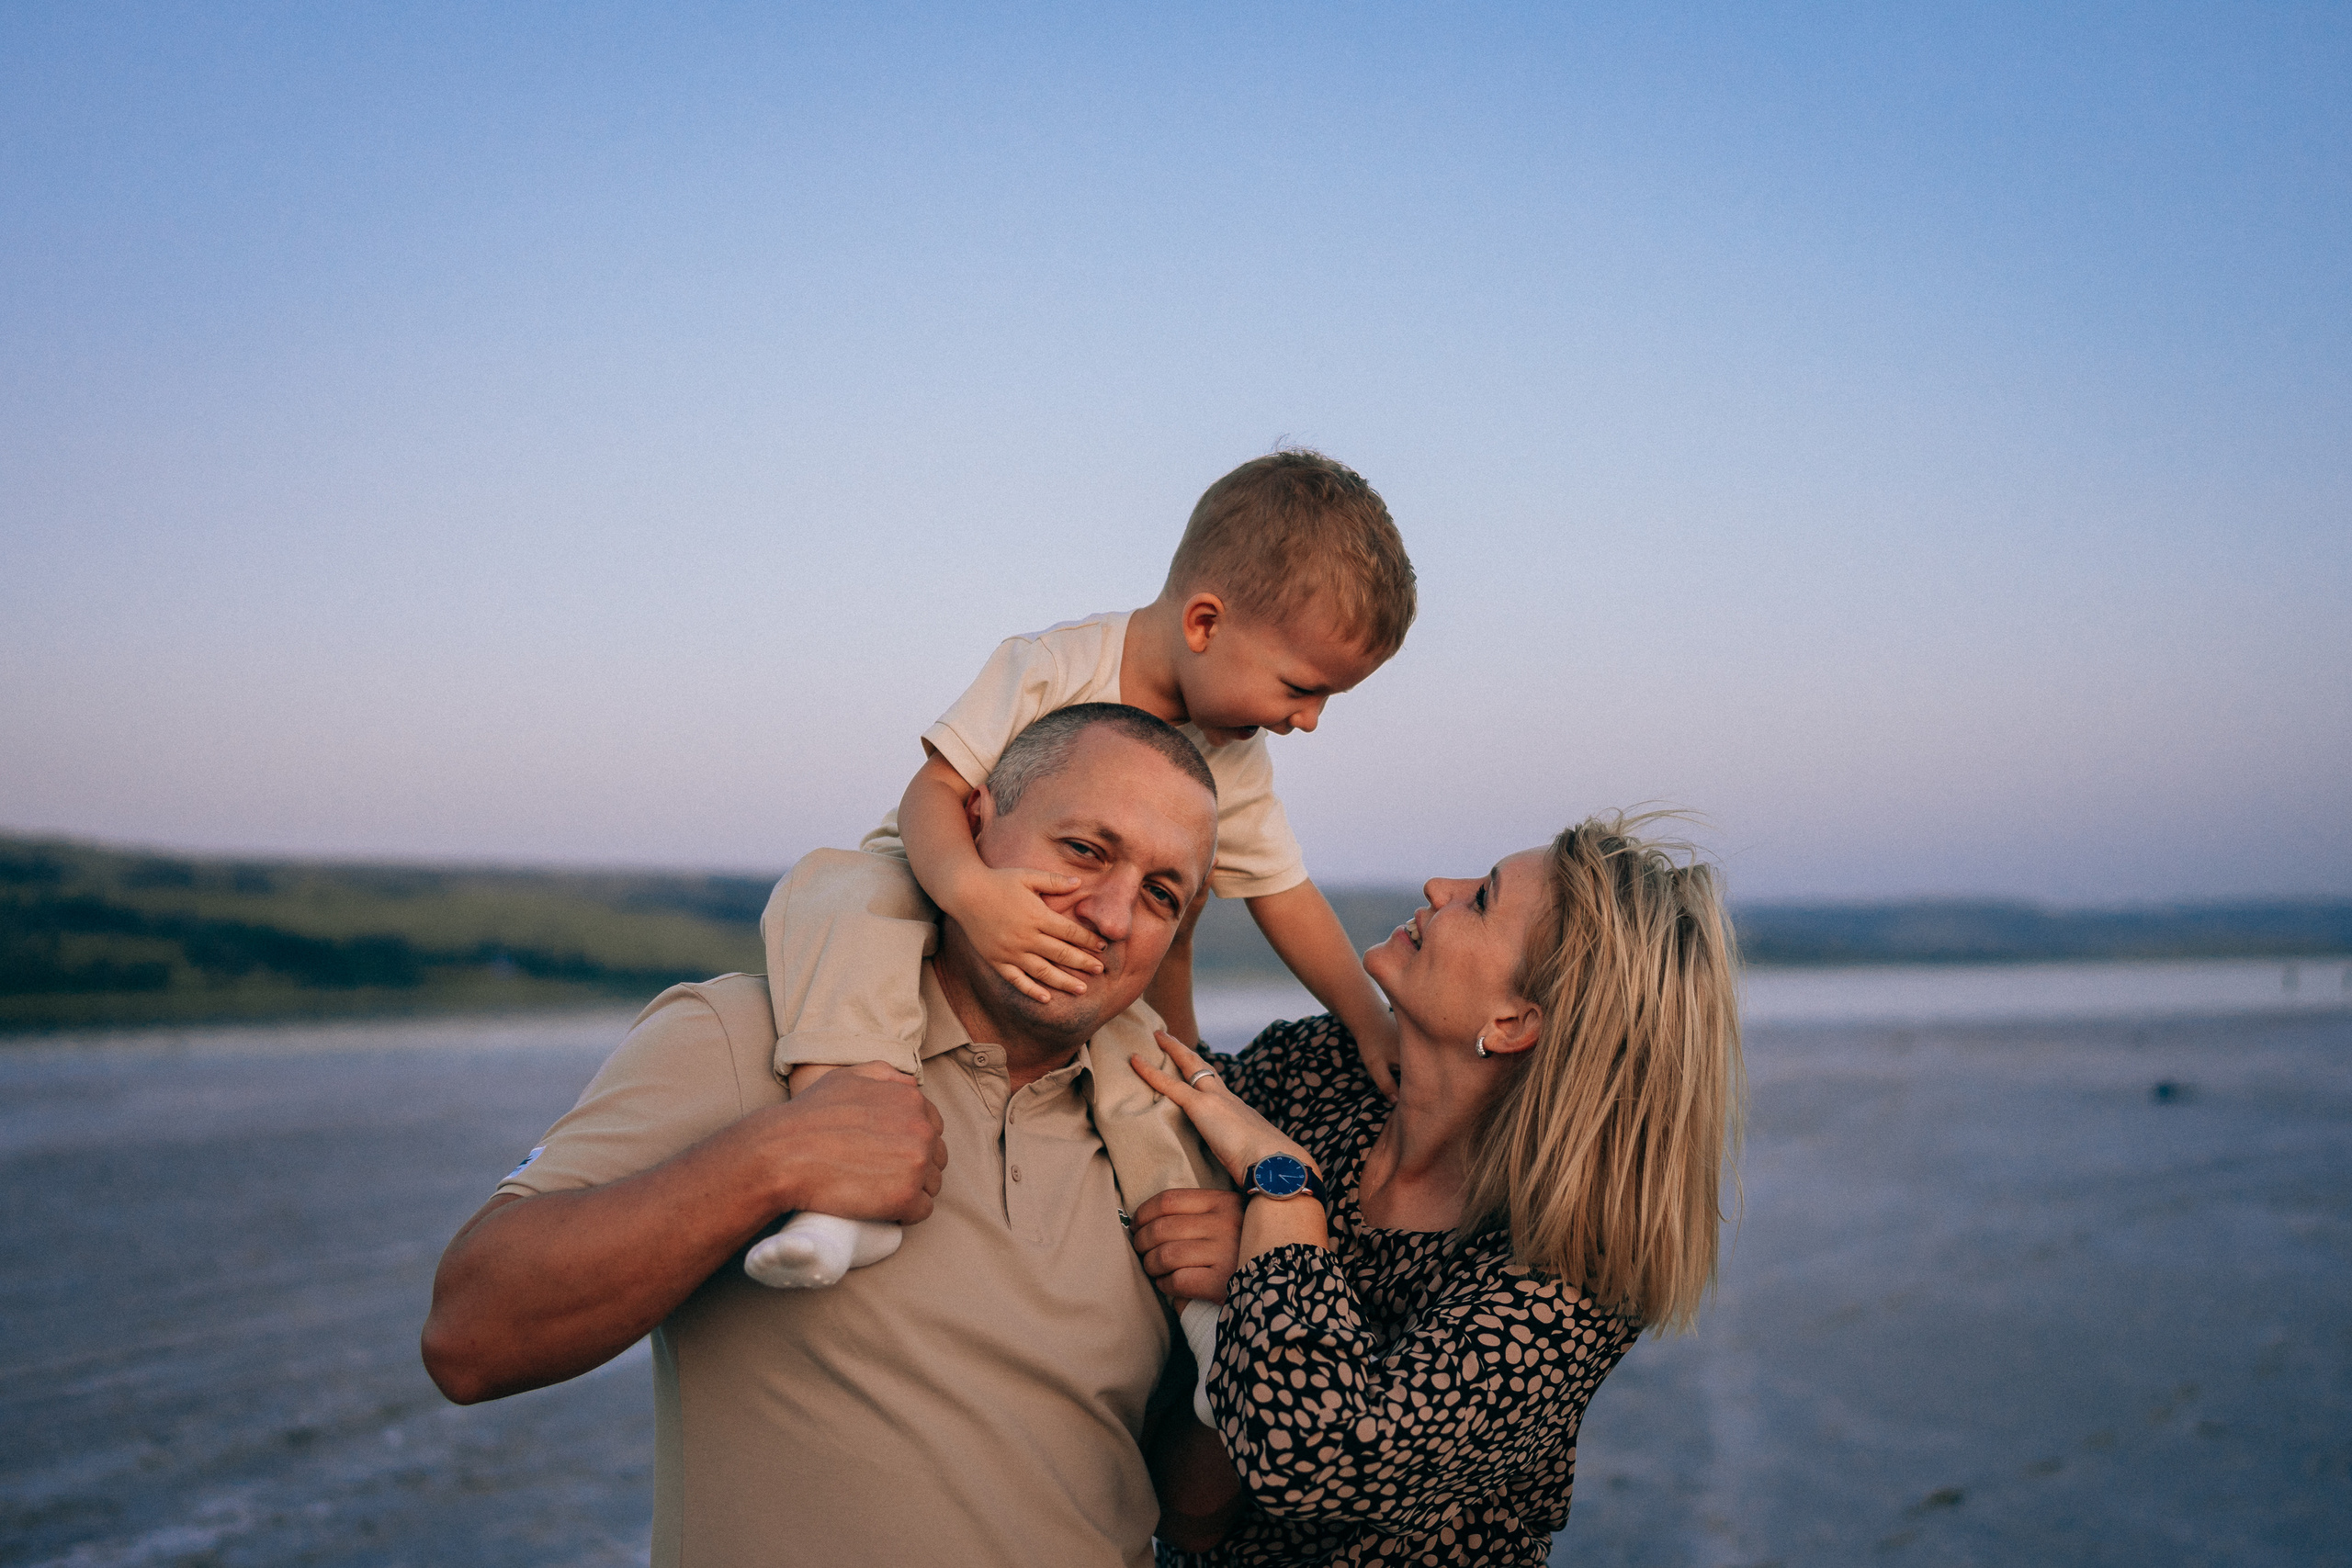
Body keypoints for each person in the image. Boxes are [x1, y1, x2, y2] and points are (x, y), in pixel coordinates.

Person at [421, 705, 1250, 1568]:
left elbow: (1189, 1514)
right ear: (971, 826)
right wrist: (771, 1160)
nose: (1112, 915)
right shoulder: (743, 1033)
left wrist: (1255, 1310)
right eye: (1084, 849)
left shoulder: (1172, 1155)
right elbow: (469, 1338)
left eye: (1161, 894)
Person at [752, 449, 1417, 1294]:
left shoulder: (1236, 761)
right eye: (1301, 686)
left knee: (1151, 1074)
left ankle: (1207, 1322)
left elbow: (1285, 895)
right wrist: (970, 890)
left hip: (1083, 966)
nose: (1311, 720)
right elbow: (935, 788)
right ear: (1206, 623)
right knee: (838, 894)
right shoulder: (1053, 666)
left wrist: (1366, 1019)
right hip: (934, 874)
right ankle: (844, 1188)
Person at [1127, 816, 1744, 1566]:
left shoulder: (1572, 1275)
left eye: (1480, 898)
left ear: (1515, 1021)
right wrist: (1175, 928)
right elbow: (1178, 1099)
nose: (1436, 888)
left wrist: (1280, 1214)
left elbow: (1324, 1460)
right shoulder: (1328, 1067)